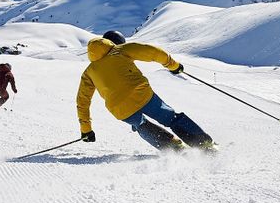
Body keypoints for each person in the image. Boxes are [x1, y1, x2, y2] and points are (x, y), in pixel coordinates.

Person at [76, 30, 216, 153]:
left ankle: (174, 149)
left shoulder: (88, 72)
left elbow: (82, 102)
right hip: (141, 94)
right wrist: (173, 66)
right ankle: (204, 145)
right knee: (170, 118)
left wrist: (86, 130)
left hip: (119, 108)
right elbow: (152, 52)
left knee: (141, 125)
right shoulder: (121, 50)